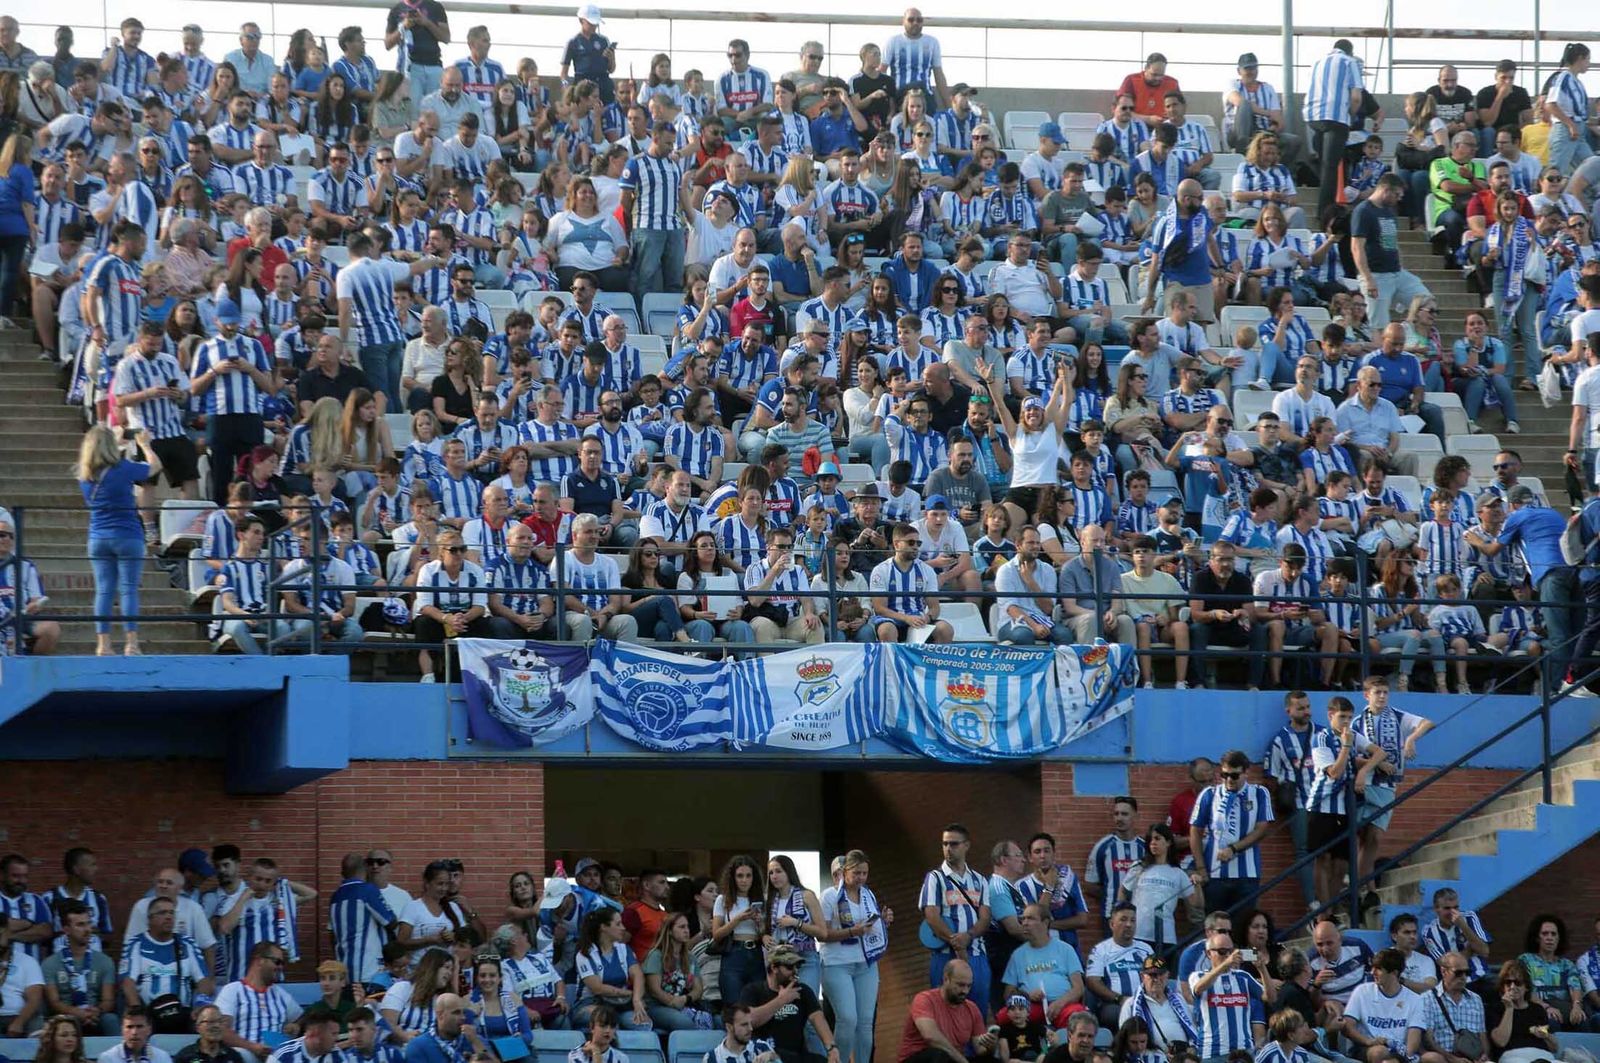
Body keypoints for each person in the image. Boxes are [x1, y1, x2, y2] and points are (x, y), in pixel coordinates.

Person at [75, 425, 159, 657]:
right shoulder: (123, 469)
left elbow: (105, 467)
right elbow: (154, 467)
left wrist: (116, 442)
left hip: (98, 536)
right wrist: (144, 445)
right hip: (128, 534)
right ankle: (131, 643)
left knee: (103, 591)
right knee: (129, 590)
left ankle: (103, 644)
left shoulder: (85, 476)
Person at [819, 849, 890, 1063]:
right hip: (837, 964)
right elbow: (823, 934)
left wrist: (883, 921)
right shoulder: (830, 896)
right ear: (844, 872)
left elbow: (870, 927)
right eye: (856, 873)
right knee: (848, 1019)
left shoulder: (868, 895)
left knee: (866, 1022)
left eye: (864, 873)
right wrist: (852, 931)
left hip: (866, 964)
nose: (861, 878)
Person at [919, 824, 992, 1010]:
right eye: (945, 844)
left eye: (954, 844)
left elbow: (985, 919)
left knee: (977, 1011)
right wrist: (956, 942)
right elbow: (932, 918)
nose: (948, 849)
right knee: (944, 1012)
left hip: (976, 955)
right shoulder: (935, 878)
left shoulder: (979, 880)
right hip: (945, 957)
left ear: (966, 845)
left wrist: (968, 936)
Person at [1352, 175, 1434, 329]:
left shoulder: (1389, 211)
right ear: (1385, 190)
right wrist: (1368, 278)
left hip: (1396, 272)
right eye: (1396, 195)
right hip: (1376, 275)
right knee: (1379, 325)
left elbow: (1393, 243)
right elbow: (1357, 246)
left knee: (1427, 303)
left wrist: (1400, 265)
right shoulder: (1364, 211)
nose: (1398, 199)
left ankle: (1407, 332)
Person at [739, 946, 837, 1063]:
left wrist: (832, 1049)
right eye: (790, 967)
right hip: (764, 1056)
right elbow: (750, 1020)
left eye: (797, 966)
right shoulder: (753, 991)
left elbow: (818, 1018)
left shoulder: (802, 990)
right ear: (774, 967)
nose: (795, 971)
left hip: (796, 1057)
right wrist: (781, 1000)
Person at [1000, 903, 1086, 1034]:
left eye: (1030, 918)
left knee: (1078, 1018)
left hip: (1063, 1005)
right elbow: (1008, 994)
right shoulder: (1018, 955)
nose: (1025, 923)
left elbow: (1078, 988)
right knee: (1003, 1017)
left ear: (1045, 923)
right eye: (1023, 919)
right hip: (1029, 1007)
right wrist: (1027, 996)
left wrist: (1060, 1003)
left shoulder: (1065, 949)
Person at [1303, 40, 1364, 222]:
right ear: (1350, 51)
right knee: (1330, 167)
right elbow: (1355, 97)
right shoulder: (1349, 62)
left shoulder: (1318, 62)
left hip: (1313, 117)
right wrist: (1351, 117)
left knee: (1323, 162)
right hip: (1336, 118)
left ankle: (1325, 198)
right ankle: (1325, 214)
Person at [897, 959, 998, 1063]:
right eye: (960, 985)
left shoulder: (972, 1008)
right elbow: (931, 1037)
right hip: (918, 1058)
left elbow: (980, 1050)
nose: (965, 991)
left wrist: (991, 1046)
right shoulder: (924, 999)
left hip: (950, 1059)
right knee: (939, 1055)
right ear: (946, 979)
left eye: (969, 986)